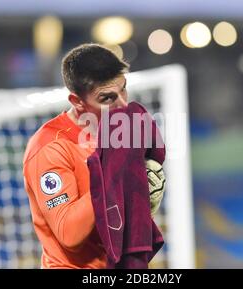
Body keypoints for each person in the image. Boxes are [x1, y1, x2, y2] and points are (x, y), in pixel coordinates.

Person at [22, 43, 165, 269]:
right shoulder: (50, 147)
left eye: (123, 89)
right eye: (107, 98)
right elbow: (69, 234)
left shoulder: (123, 136)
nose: (123, 104)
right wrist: (112, 178)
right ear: (77, 102)